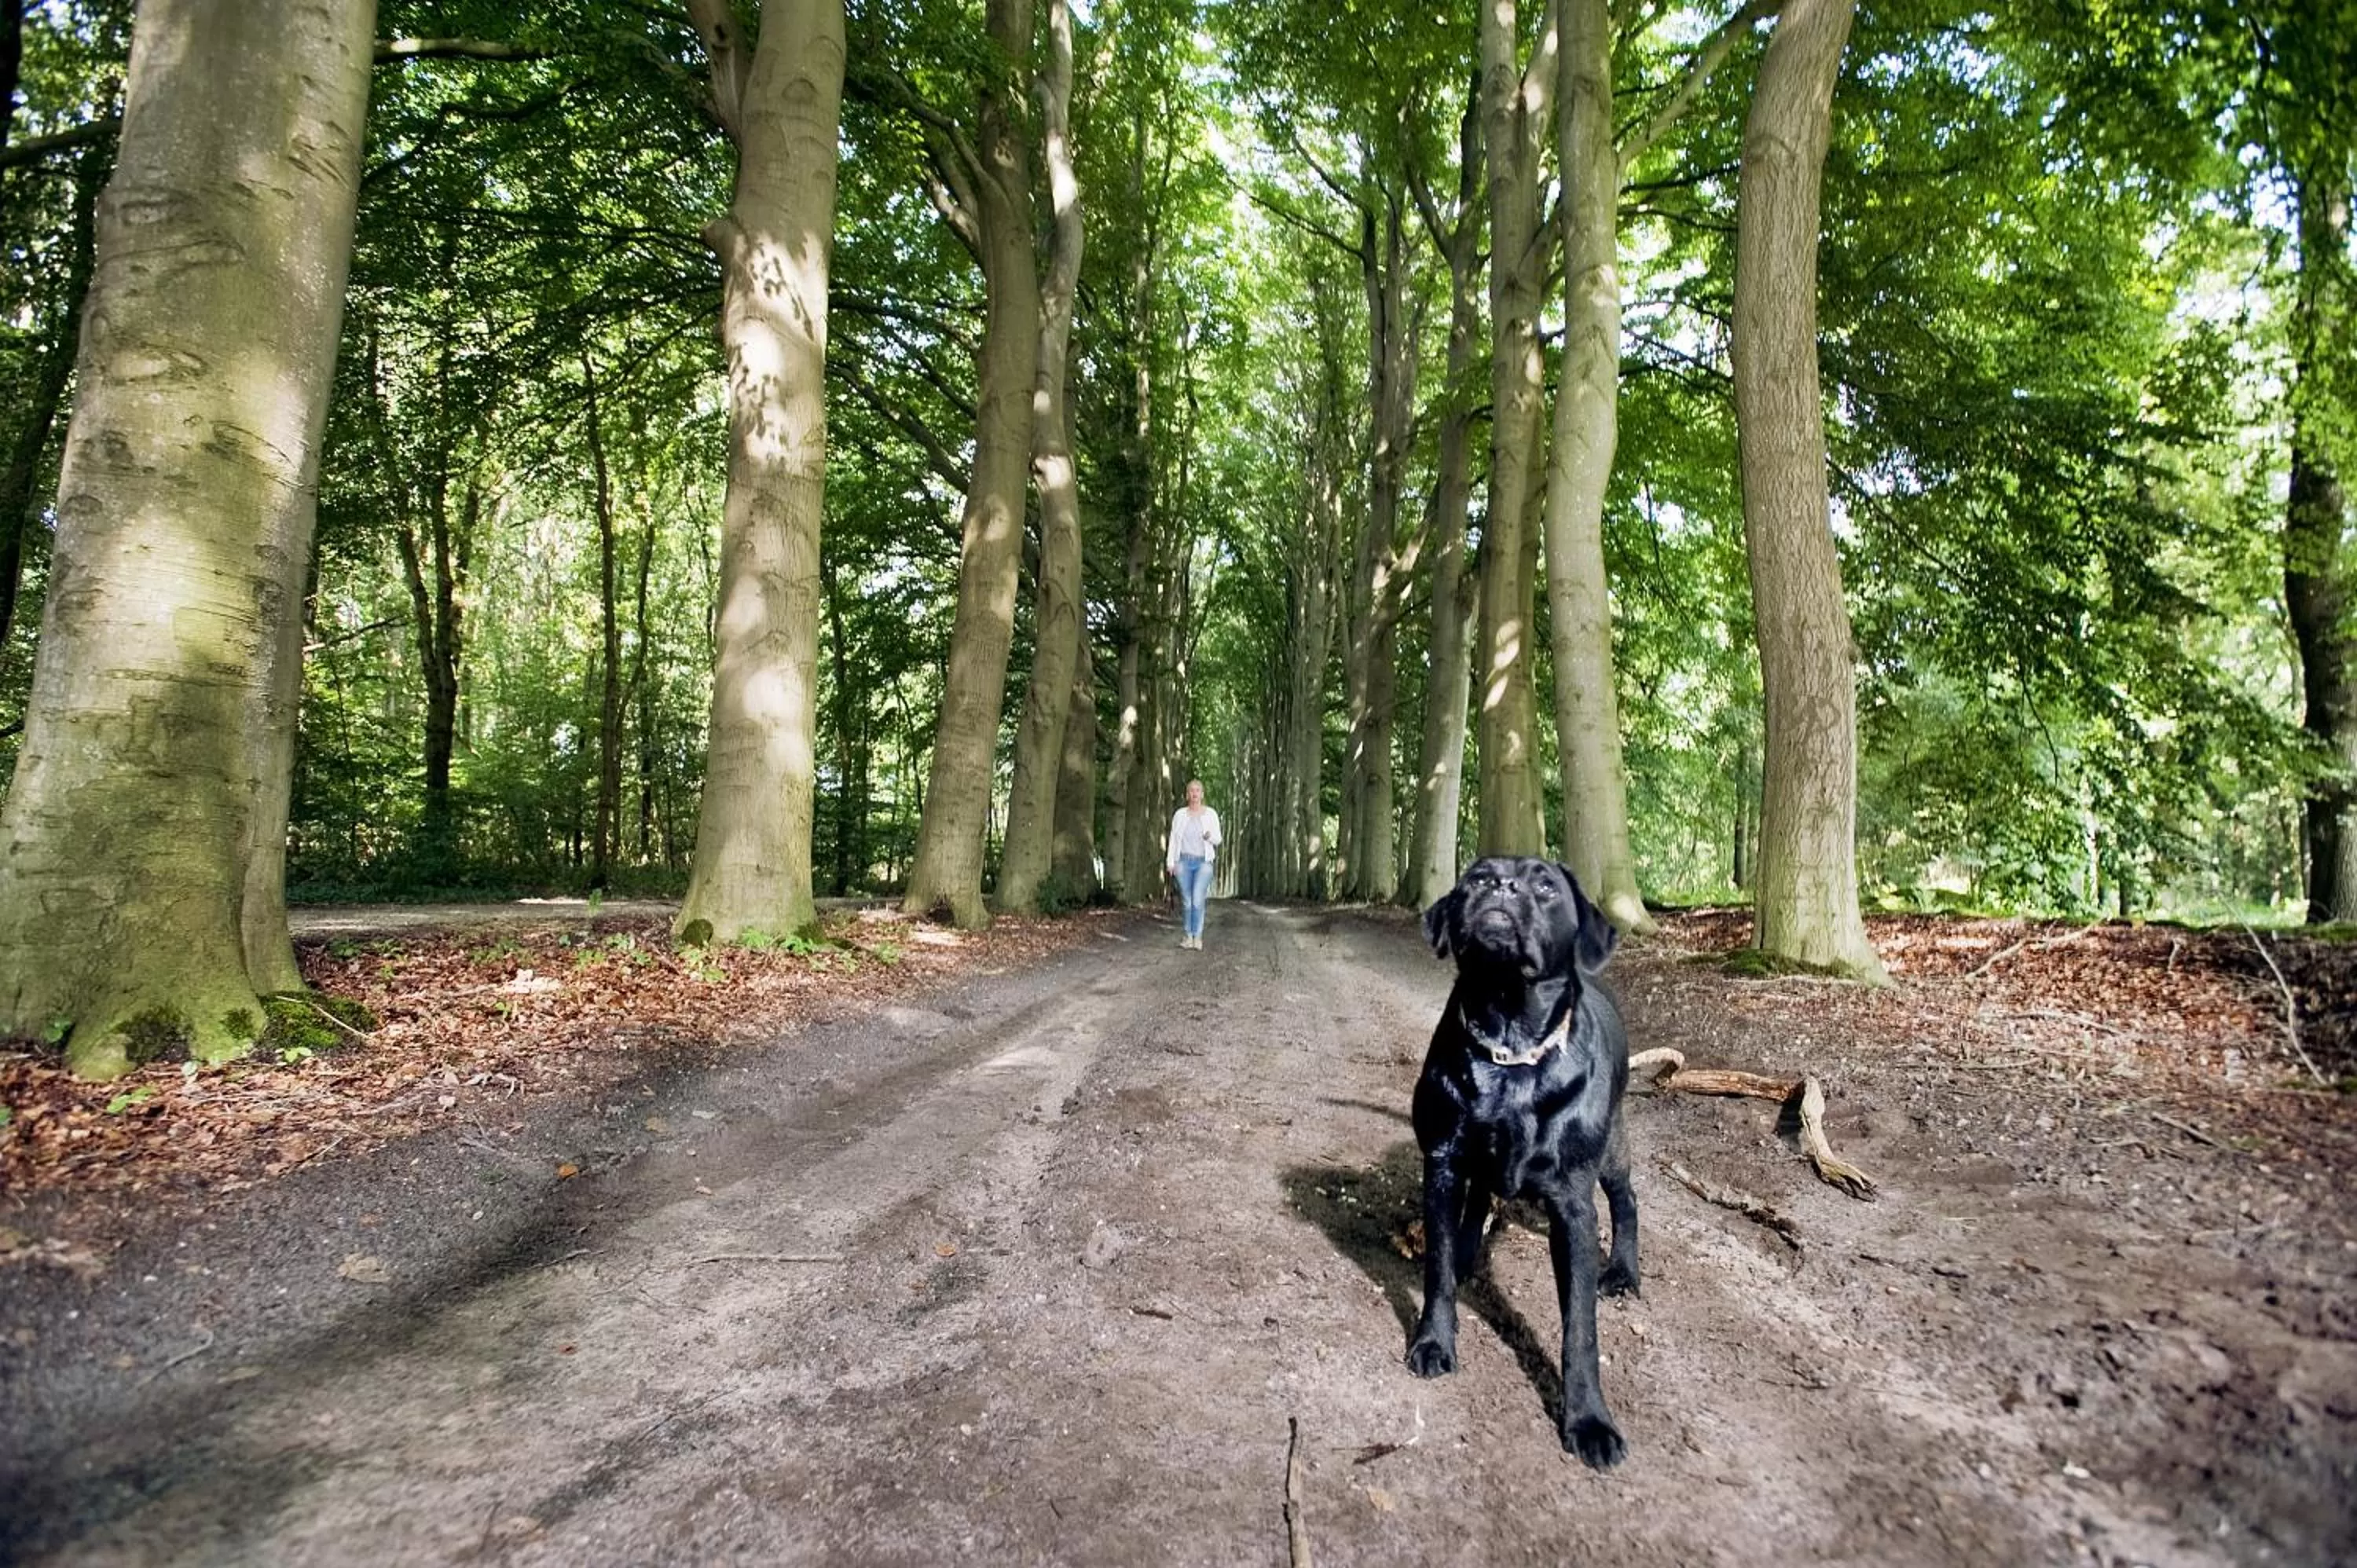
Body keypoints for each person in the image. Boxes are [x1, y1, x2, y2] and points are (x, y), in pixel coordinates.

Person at [1165, 779, 1222, 951]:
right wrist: (1170, 862)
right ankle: (1188, 936)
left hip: (1204, 863)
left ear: (1202, 794)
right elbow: (1173, 840)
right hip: (1183, 861)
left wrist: (1209, 837)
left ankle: (1198, 937)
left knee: (1198, 899)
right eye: (1191, 791)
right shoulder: (1180, 815)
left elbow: (1218, 839)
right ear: (1187, 795)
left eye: (1197, 790)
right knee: (1187, 901)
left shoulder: (1210, 814)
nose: (1194, 794)